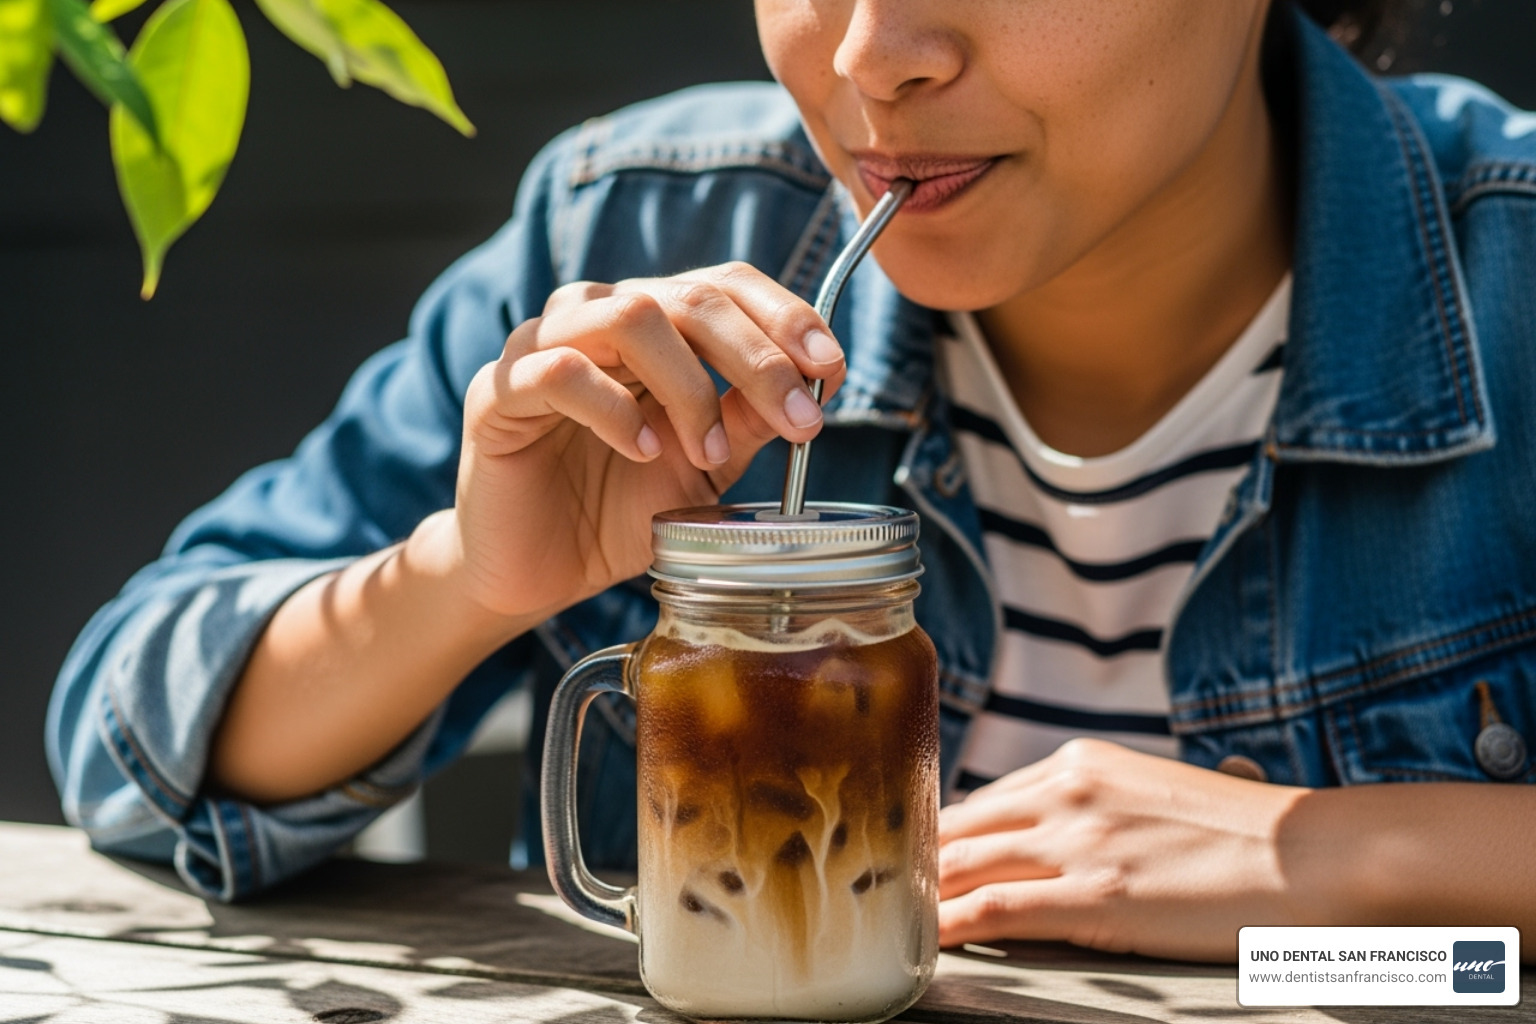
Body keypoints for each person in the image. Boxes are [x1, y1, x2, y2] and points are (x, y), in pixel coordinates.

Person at [47, 0, 1536, 963]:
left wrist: (1352, 862)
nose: (874, 53)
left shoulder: (1513, 275)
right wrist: (462, 584)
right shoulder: (638, 240)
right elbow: (128, 737)